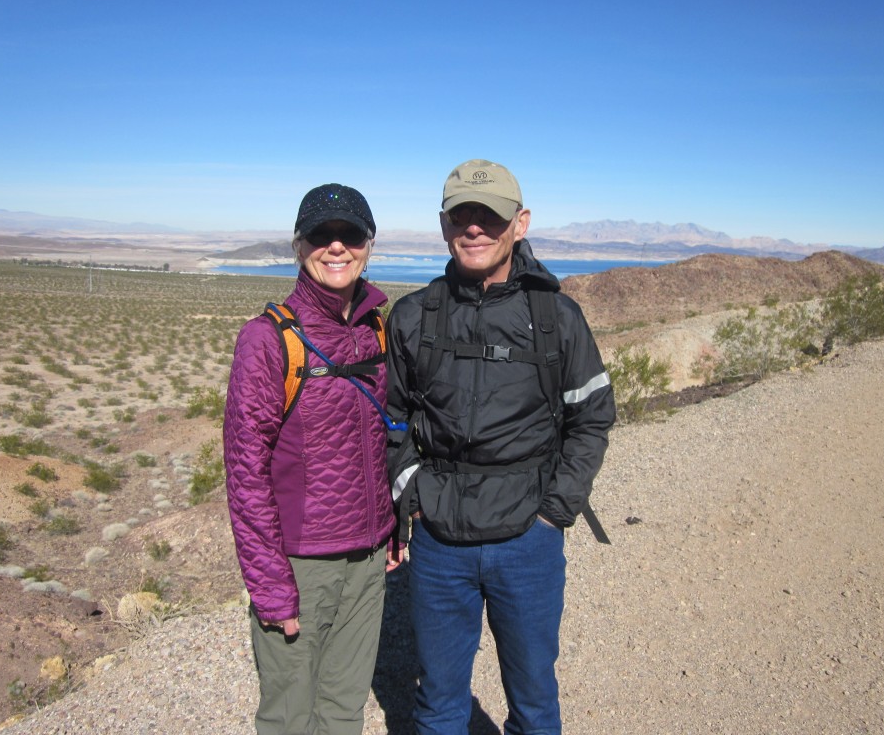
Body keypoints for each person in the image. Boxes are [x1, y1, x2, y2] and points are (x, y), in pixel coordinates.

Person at [386, 159, 616, 734]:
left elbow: (592, 417)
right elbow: (389, 417)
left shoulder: (556, 317)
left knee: (535, 703)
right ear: (444, 225)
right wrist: (411, 490)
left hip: (527, 541)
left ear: (520, 223)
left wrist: (553, 512)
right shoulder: (415, 316)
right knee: (439, 703)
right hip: (441, 542)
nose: (475, 228)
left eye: (490, 216)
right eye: (462, 214)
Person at [224, 183, 400, 735]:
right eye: (322, 236)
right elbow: (244, 473)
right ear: (299, 247)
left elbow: (384, 438)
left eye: (350, 235)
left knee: (344, 710)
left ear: (368, 244)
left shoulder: (377, 326)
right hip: (301, 562)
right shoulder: (268, 340)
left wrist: (393, 527)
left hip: (368, 559)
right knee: (289, 717)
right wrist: (271, 584)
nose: (336, 247)